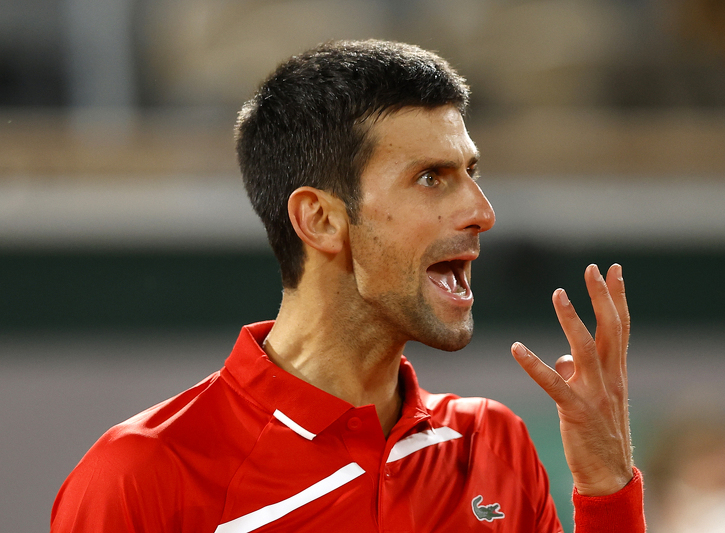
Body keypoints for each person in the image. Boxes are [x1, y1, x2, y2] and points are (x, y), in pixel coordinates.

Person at [51, 40, 644, 532]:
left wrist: (607, 488)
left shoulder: (493, 443)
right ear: (322, 220)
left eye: (472, 172)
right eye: (432, 178)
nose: (483, 212)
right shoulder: (141, 474)